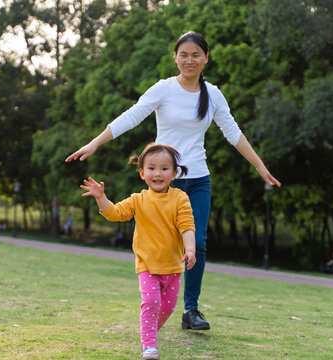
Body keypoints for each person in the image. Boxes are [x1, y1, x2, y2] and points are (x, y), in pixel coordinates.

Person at [66, 31, 281, 330]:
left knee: (199, 242)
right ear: (176, 58)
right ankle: (155, 296)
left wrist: (260, 166)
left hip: (198, 179)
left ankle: (191, 310)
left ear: (205, 58)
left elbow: (234, 133)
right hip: (166, 180)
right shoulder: (164, 89)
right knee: (166, 244)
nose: (189, 60)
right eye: (184, 55)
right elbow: (132, 115)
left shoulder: (213, 94)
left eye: (196, 55)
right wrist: (95, 142)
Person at [80, 143, 196, 360]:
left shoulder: (180, 198)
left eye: (164, 168)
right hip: (147, 266)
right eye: (151, 168)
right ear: (142, 173)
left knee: (167, 309)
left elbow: (187, 226)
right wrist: (100, 198)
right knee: (151, 303)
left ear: (174, 173)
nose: (158, 173)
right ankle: (149, 346)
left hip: (173, 266)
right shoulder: (138, 200)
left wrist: (190, 250)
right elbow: (114, 213)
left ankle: (148, 330)